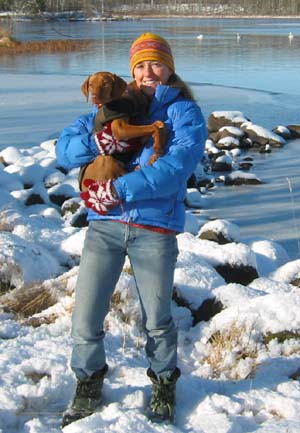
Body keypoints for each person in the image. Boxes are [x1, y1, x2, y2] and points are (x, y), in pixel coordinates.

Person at [56, 32, 207, 427]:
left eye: (155, 63)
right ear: (131, 72)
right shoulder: (114, 104)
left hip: (154, 228)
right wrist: (99, 140)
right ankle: (88, 382)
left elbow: (174, 170)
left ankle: (163, 383)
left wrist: (115, 189)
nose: (147, 72)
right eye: (139, 65)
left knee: (157, 318)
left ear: (170, 67)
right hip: (105, 227)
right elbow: (65, 149)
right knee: (85, 316)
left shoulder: (184, 113)